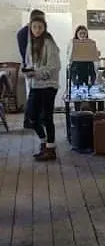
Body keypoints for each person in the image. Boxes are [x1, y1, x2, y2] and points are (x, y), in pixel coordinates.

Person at [24, 14, 60, 161]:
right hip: (34, 85)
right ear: (30, 28)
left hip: (48, 85)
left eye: (40, 27)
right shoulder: (30, 43)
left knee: (47, 117)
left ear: (44, 28)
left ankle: (50, 149)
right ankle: (44, 142)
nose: (37, 30)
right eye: (34, 27)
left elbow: (54, 66)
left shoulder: (49, 43)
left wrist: (37, 73)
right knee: (31, 117)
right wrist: (27, 70)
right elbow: (28, 62)